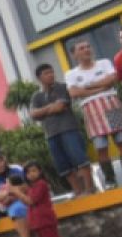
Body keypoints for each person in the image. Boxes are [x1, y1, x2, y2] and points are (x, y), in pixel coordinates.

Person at [65, 39, 122, 187]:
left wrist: (88, 87)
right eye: (82, 48)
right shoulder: (71, 74)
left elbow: (113, 79)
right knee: (101, 147)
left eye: (88, 46)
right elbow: (74, 92)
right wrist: (100, 87)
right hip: (91, 110)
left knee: (121, 141)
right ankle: (111, 181)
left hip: (111, 103)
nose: (86, 49)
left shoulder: (104, 63)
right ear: (74, 54)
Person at [30, 63, 96, 197]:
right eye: (47, 73)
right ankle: (78, 192)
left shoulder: (62, 88)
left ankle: (89, 189)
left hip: (69, 129)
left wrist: (43, 111)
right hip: (51, 134)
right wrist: (50, 108)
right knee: (63, 166)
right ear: (39, 78)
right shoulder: (36, 96)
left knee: (80, 160)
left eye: (52, 72)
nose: (51, 75)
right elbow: (33, 114)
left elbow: (60, 107)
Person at [9, 162, 78, 237]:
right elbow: (27, 202)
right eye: (28, 172)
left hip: (44, 220)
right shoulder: (32, 187)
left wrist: (17, 192)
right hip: (38, 221)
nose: (31, 174)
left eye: (34, 171)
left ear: (40, 172)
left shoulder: (41, 184)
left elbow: (30, 201)